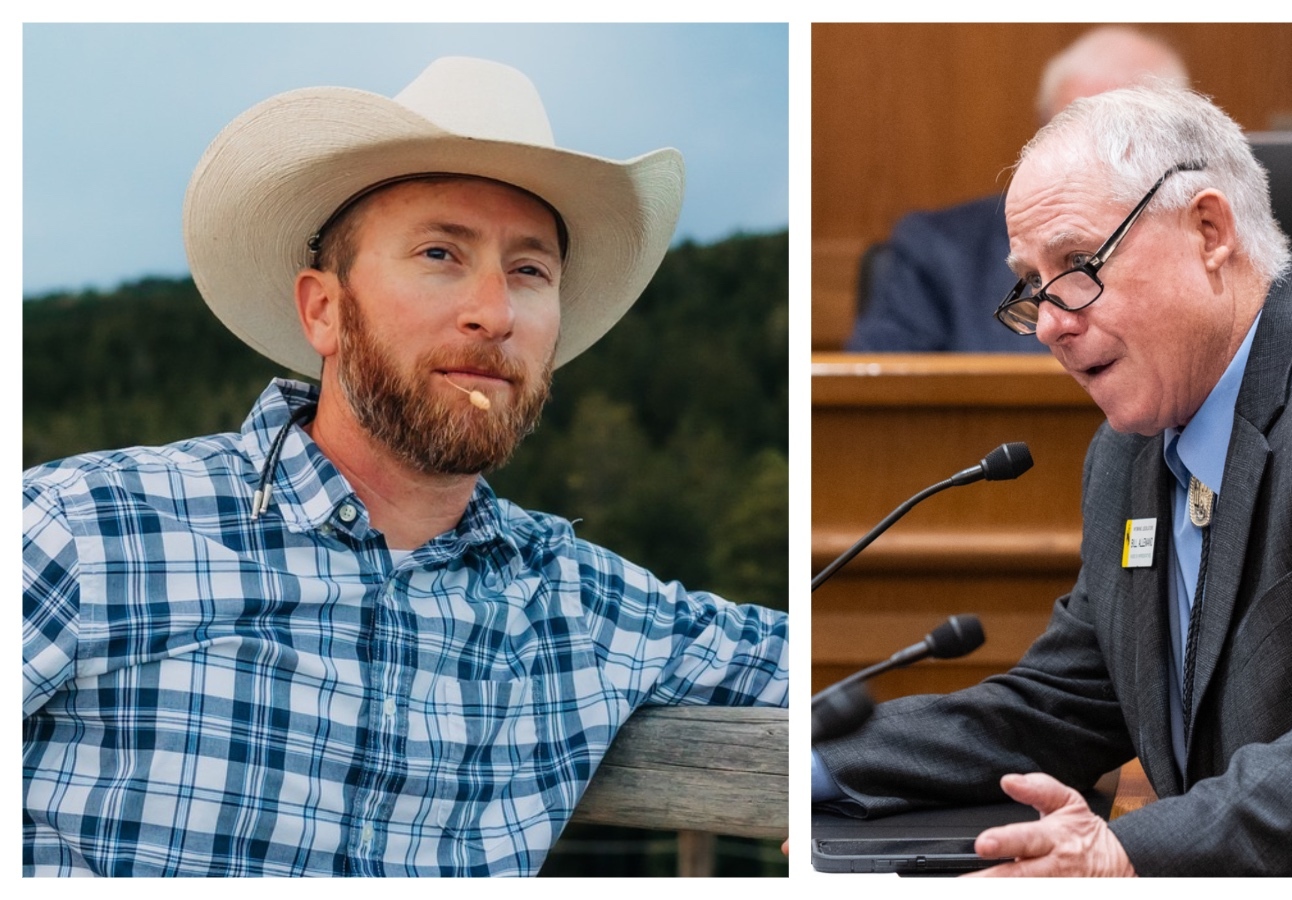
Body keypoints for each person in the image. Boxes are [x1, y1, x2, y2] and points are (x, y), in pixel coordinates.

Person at [23, 57, 789, 877]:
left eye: (530, 272)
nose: (493, 314)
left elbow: (839, 672)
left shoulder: (583, 604)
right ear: (324, 309)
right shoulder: (85, 530)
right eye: (438, 254)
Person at [814, 84, 1292, 876]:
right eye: (1031, 285)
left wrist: (1127, 852)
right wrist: (812, 758)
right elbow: (1063, 704)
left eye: (1078, 266)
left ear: (1210, 230)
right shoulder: (1132, 450)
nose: (1048, 321)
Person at [846, 26, 1189, 352]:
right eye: (1068, 132)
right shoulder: (937, 251)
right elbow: (875, 399)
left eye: (1115, 143)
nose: (1088, 160)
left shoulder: (1199, 248)